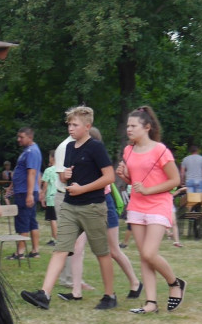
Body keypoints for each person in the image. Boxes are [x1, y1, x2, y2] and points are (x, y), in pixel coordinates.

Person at [21, 106, 117, 311]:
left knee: (101, 252)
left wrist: (83, 189)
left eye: (75, 125)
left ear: (87, 126)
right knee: (60, 249)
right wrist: (65, 176)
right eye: (69, 124)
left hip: (93, 207)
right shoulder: (71, 147)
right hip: (70, 206)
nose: (70, 128)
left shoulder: (96, 147)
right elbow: (67, 174)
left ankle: (110, 295)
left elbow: (109, 177)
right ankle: (44, 295)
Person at [57, 128, 142, 303]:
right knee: (77, 247)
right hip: (82, 205)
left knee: (113, 250)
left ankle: (135, 282)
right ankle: (76, 290)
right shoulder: (79, 155)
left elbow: (106, 180)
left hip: (103, 205)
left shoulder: (96, 156)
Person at [116, 105, 186, 314]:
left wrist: (148, 190)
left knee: (149, 252)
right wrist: (125, 176)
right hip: (137, 205)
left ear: (147, 127)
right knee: (143, 256)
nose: (129, 129)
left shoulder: (160, 150)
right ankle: (151, 303)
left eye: (133, 126)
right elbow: (135, 180)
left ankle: (175, 283)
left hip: (158, 204)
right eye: (128, 126)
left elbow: (175, 180)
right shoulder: (128, 150)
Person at [8, 127, 42, 259]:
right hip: (25, 190)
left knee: (22, 221)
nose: (19, 139)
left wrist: (29, 194)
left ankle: (20, 252)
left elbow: (32, 173)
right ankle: (35, 251)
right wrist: (12, 186)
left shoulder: (32, 152)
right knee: (32, 221)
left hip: (25, 192)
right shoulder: (28, 151)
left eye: (21, 137)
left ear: (30, 137)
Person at [39, 152, 59, 245]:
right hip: (60, 196)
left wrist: (42, 195)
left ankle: (55, 239)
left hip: (51, 197)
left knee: (52, 219)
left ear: (52, 158)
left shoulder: (49, 170)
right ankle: (53, 237)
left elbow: (45, 185)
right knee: (58, 218)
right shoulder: (62, 169)